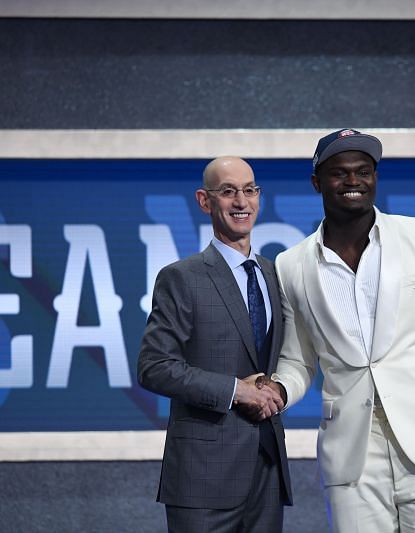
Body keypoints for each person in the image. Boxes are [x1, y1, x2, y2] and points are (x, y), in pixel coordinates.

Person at [263, 129, 415, 532]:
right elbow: (299, 360)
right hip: (352, 455)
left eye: (363, 171)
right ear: (317, 183)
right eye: (340, 173)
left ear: (375, 177)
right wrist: (277, 390)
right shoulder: (292, 265)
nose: (353, 182)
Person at [138, 156, 292, 533]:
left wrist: (280, 389)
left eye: (249, 190)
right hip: (202, 478)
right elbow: (154, 366)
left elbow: (291, 357)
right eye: (227, 192)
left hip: (266, 470)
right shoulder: (181, 278)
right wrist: (236, 390)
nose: (241, 202)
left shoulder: (277, 274)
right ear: (205, 201)